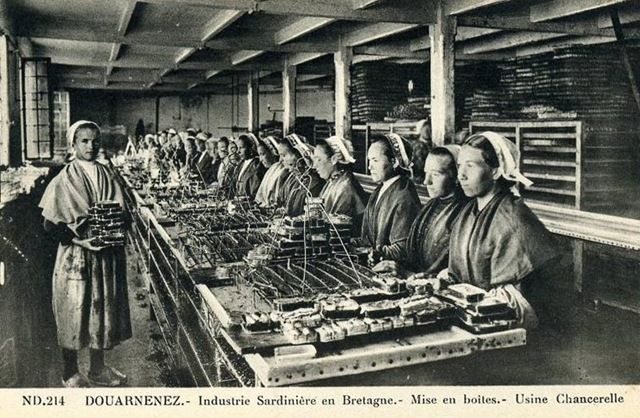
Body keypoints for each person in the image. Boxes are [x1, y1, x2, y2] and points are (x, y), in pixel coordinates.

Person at [39, 120, 132, 388]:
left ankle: (98, 369)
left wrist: (117, 227)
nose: (90, 146)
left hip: (104, 255)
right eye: (84, 141)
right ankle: (70, 373)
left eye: (94, 141)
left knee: (100, 311)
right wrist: (82, 241)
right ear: (73, 144)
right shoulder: (64, 179)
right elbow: (49, 225)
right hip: (76, 259)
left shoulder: (107, 174)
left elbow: (122, 211)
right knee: (74, 310)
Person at [443, 131, 559, 329]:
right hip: (471, 315)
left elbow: (519, 303)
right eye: (459, 165)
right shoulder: (467, 212)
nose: (461, 175)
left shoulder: (513, 219)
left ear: (496, 171)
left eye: (470, 166)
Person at [373, 145, 468, 278]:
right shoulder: (431, 205)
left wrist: (407, 274)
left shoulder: (465, 213)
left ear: (456, 177)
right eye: (426, 173)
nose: (426, 181)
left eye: (435, 174)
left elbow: (454, 275)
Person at [361, 134, 421, 263]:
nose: (369, 167)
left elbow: (402, 249)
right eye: (369, 160)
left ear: (394, 162)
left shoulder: (404, 197)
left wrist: (375, 253)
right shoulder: (381, 188)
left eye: (375, 161)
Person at [313, 135, 368, 234]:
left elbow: (335, 227)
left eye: (319, 159)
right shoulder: (334, 181)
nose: (314, 165)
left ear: (334, 159)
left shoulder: (345, 187)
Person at [279, 134, 325, 216]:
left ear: (303, 164)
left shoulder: (314, 184)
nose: (290, 170)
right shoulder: (298, 179)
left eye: (292, 165)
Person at [255, 136, 287, 207]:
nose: (260, 159)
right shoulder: (270, 170)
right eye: (259, 155)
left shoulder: (282, 171)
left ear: (273, 152)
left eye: (263, 154)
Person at [233, 133, 267, 199]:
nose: (238, 151)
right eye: (237, 148)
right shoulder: (241, 164)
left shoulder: (257, 166)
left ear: (251, 148)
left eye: (241, 148)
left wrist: (247, 198)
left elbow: (256, 192)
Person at [411, 119, 433, 184]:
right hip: (420, 178)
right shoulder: (417, 146)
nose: (428, 132)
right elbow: (419, 166)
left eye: (429, 129)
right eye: (425, 130)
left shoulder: (432, 145)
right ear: (420, 131)